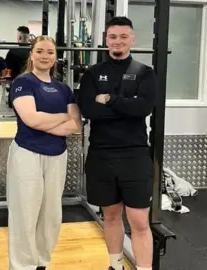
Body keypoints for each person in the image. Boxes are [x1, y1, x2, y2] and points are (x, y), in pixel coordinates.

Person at [77, 17, 157, 270]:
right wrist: (125, 104)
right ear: (105, 40)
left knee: (139, 221)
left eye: (123, 36)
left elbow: (143, 108)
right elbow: (89, 110)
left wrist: (109, 99)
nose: (118, 41)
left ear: (132, 39)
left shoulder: (145, 72)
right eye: (113, 37)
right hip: (101, 155)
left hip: (135, 156)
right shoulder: (91, 73)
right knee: (110, 217)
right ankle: (116, 265)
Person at [6, 35, 82, 270]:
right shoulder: (23, 82)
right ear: (31, 54)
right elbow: (30, 119)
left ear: (55, 57)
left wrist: (46, 123)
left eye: (50, 52)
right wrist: (62, 118)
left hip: (57, 155)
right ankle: (22, 266)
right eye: (40, 51)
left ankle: (41, 262)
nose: (45, 56)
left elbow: (76, 126)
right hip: (27, 154)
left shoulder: (64, 88)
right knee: (25, 212)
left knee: (50, 215)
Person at [5, 26, 32, 108]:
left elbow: (7, 68)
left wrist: (8, 81)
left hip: (17, 83)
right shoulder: (34, 51)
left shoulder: (13, 51)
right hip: (31, 83)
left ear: (19, 37)